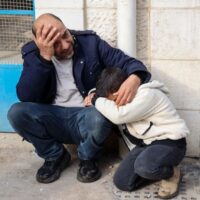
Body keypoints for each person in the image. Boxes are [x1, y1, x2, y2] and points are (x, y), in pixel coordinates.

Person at [7, 13, 151, 184]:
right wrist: (44, 59)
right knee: (16, 113)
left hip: (87, 117)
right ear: (42, 45)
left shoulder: (89, 43)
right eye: (56, 44)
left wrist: (134, 78)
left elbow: (129, 63)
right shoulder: (33, 53)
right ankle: (55, 157)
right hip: (53, 117)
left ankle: (88, 158)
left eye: (65, 35)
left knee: (99, 116)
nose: (67, 44)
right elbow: (26, 96)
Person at [92, 68, 189, 199]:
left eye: (114, 100)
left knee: (145, 166)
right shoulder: (126, 98)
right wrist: (94, 94)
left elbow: (118, 115)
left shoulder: (147, 95)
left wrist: (95, 100)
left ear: (122, 91)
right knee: (122, 182)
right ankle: (153, 170)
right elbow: (103, 98)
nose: (114, 105)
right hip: (147, 144)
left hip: (171, 143)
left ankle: (171, 173)